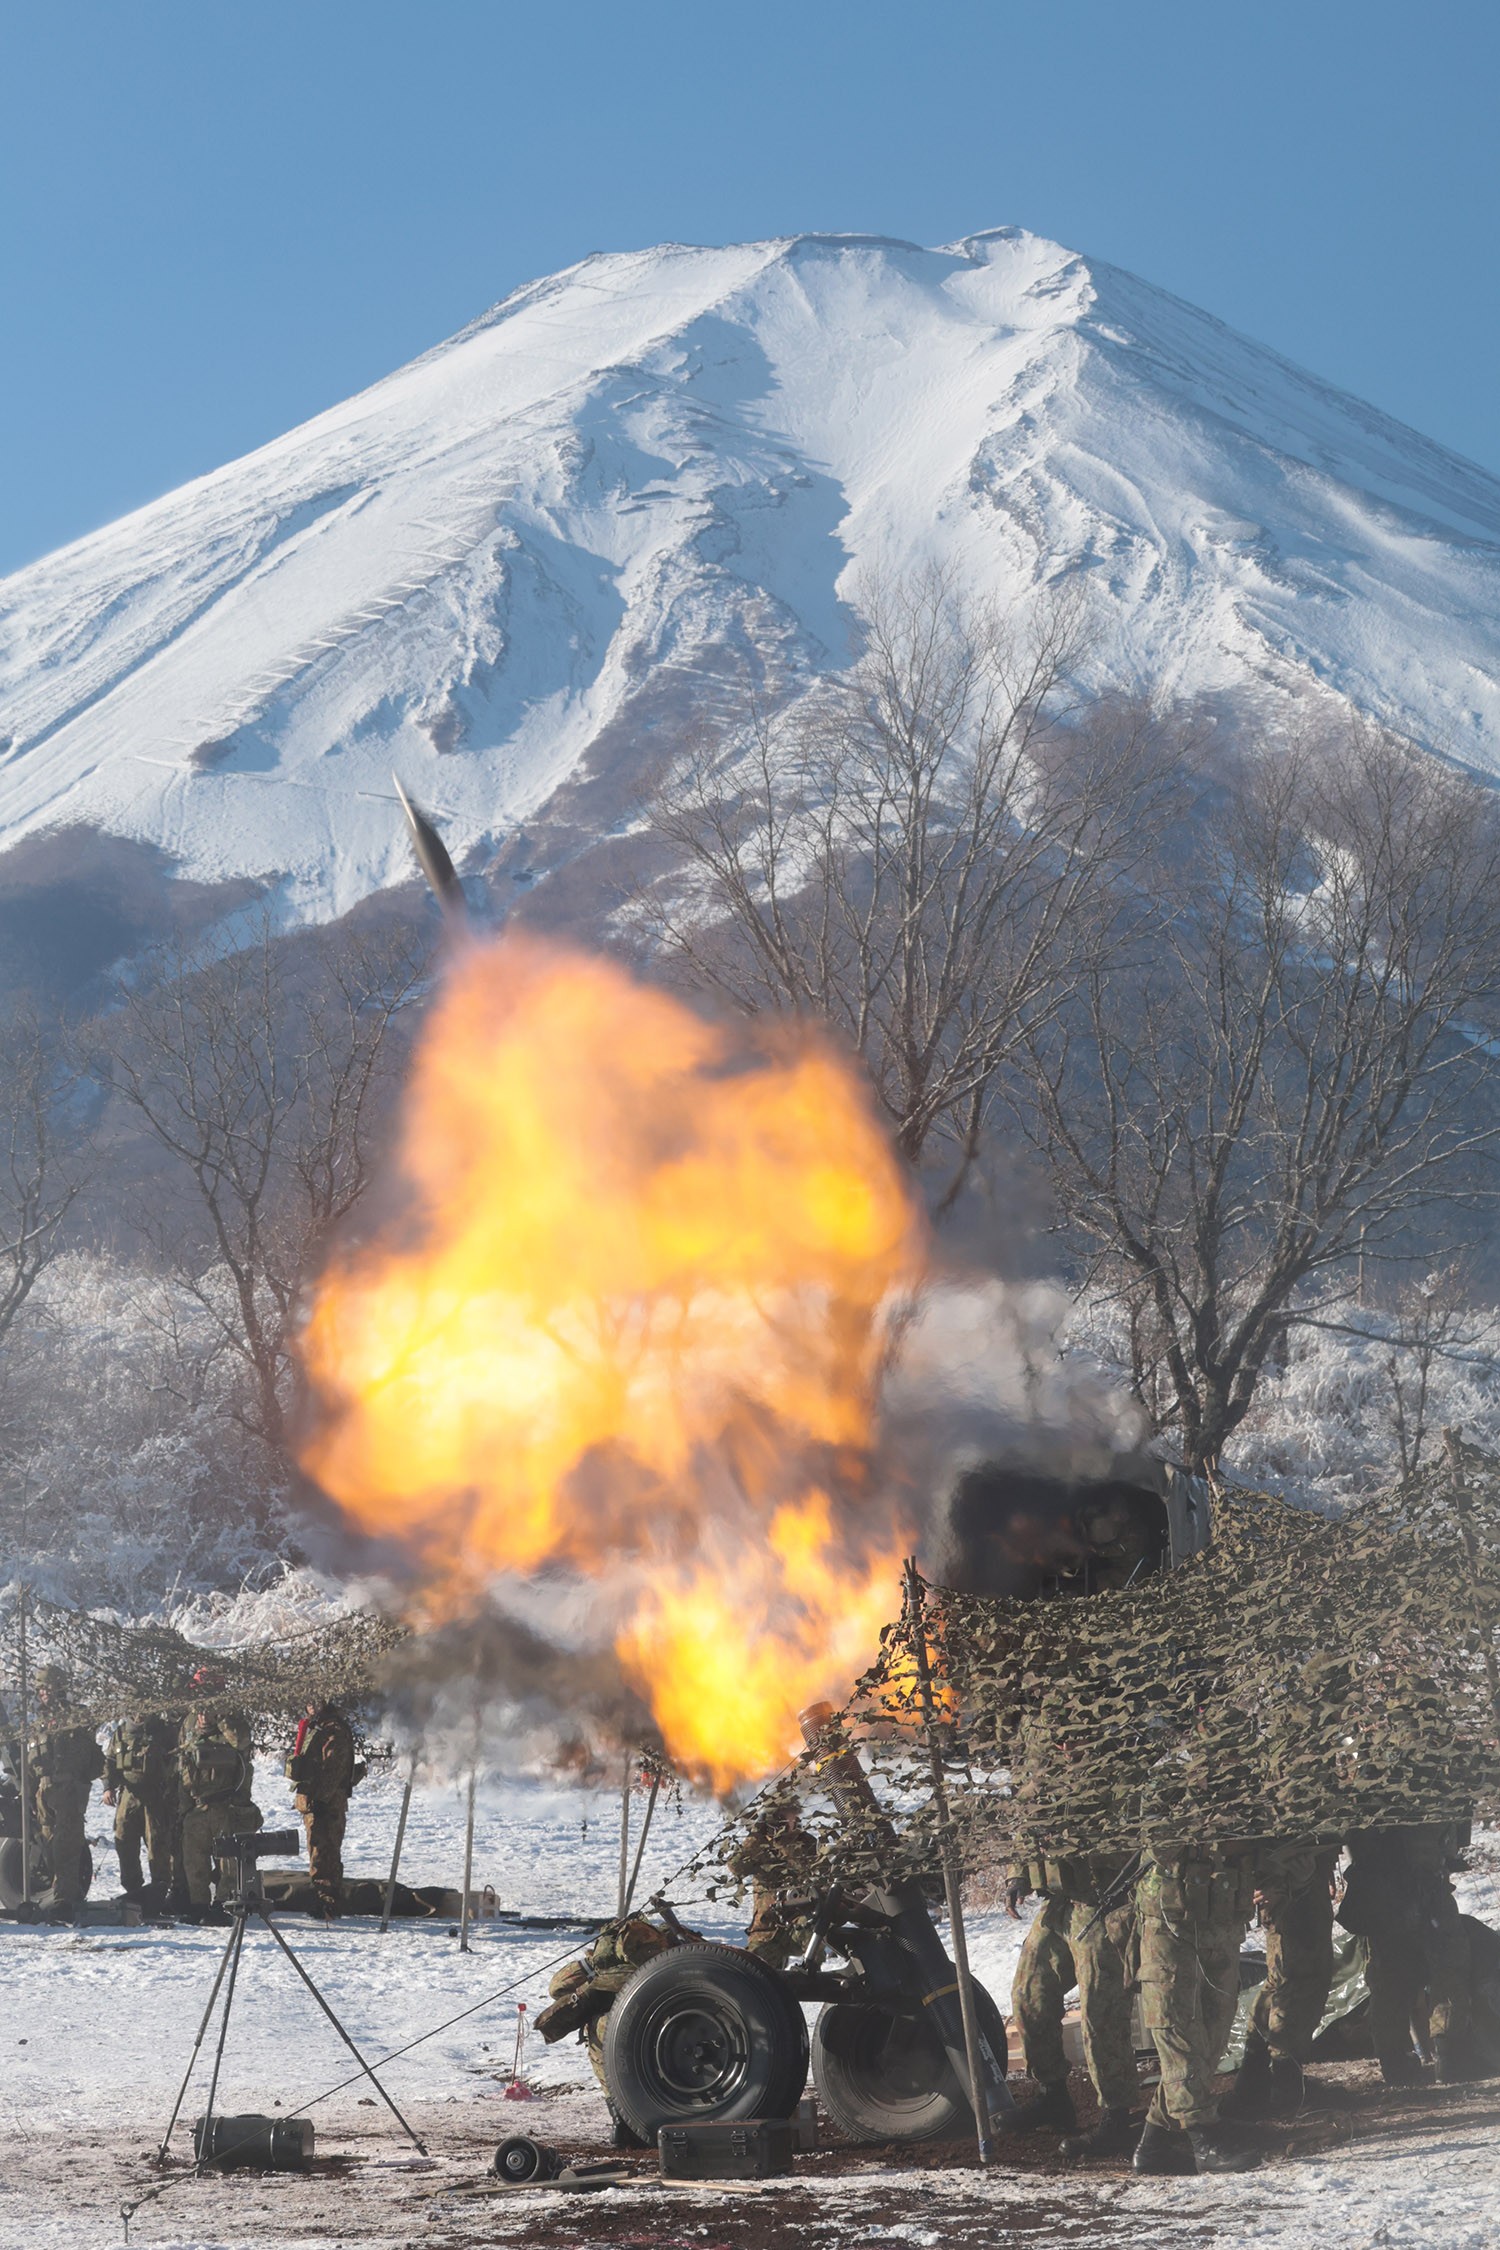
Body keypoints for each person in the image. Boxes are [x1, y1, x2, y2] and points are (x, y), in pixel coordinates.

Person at [1133, 1842, 1260, 2175]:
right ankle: (1203, 2140)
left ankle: (1153, 2143)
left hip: (1222, 1913)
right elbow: (1160, 1842)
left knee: (1211, 2041)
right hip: (1170, 1922)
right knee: (1181, 2033)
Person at [1009, 1852, 1141, 2153]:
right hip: (1059, 1903)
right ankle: (1052, 2096)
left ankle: (1116, 2117)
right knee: (1028, 1994)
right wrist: (1018, 1874)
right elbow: (1029, 1821)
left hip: (1104, 1901)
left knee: (1100, 2012)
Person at [1339, 1823, 1474, 2084]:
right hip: (1414, 1879)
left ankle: (1401, 2063)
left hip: (1386, 1885)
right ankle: (1446, 2058)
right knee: (1444, 1964)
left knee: (1392, 1974)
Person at [1224, 1839, 1339, 2116]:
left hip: (1289, 1887)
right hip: (1294, 1890)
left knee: (1280, 1982)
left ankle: (1253, 2084)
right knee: (1299, 1982)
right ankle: (1285, 2089)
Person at [178, 1667, 260, 1919]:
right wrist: (183, 1807)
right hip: (197, 1804)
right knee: (195, 1859)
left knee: (228, 1861)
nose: (203, 1712)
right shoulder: (190, 1721)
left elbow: (242, 1742)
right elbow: (183, 1759)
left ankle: (224, 1904)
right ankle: (198, 1905)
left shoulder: (232, 1721)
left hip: (226, 1803)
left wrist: (221, 1717)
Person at [28, 1666, 104, 1920]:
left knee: (67, 1847)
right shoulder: (38, 1721)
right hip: (44, 1792)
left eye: (48, 1688)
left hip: (69, 1791)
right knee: (49, 1847)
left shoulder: (75, 1717)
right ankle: (56, 1896)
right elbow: (33, 1761)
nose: (44, 1693)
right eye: (40, 1688)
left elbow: (91, 1757)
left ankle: (65, 1904)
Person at [286, 1697, 362, 1916]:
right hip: (316, 1799)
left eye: (314, 1704)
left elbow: (334, 1768)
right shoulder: (318, 1726)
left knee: (324, 1851)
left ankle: (328, 1902)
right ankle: (324, 1898)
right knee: (318, 1850)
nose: (309, 1708)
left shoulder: (333, 1729)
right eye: (307, 1703)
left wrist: (321, 1799)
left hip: (326, 1803)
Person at [102, 1711, 179, 1900]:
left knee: (157, 1842)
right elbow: (110, 1761)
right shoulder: (121, 1732)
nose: (139, 1714)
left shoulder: (163, 1731)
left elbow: (177, 1761)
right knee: (124, 1839)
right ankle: (133, 1891)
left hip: (156, 1794)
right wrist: (108, 1787)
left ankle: (160, 1889)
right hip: (128, 1794)